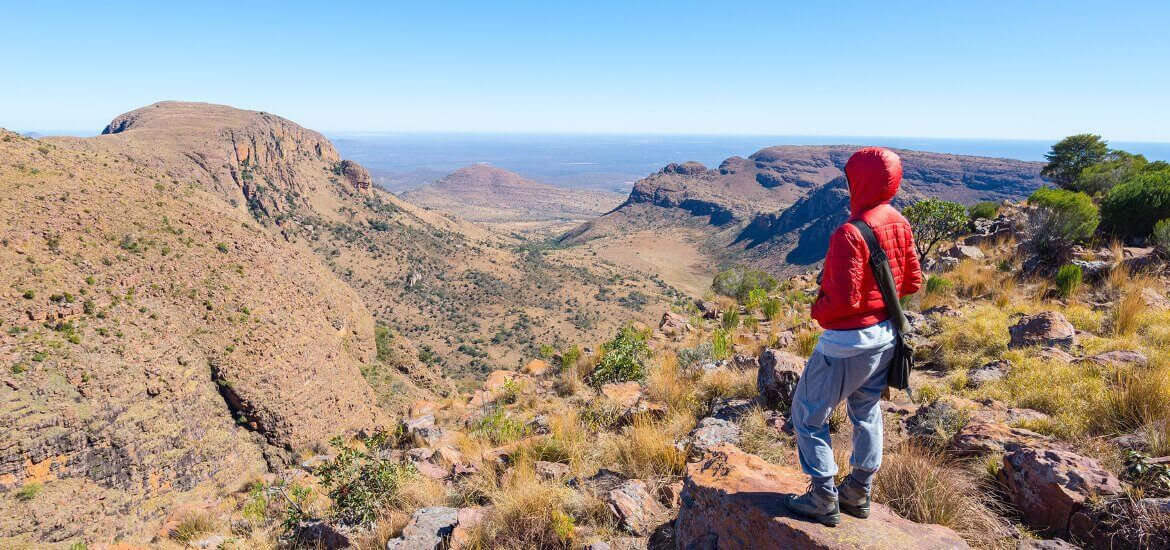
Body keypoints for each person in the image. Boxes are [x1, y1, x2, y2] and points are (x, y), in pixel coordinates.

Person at [783, 147, 923, 526]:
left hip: (847, 345)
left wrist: (816, 308)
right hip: (886, 338)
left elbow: (841, 303)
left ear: (858, 181)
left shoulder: (850, 232)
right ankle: (858, 490)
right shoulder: (899, 222)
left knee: (808, 415)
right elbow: (911, 281)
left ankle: (823, 497)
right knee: (866, 410)